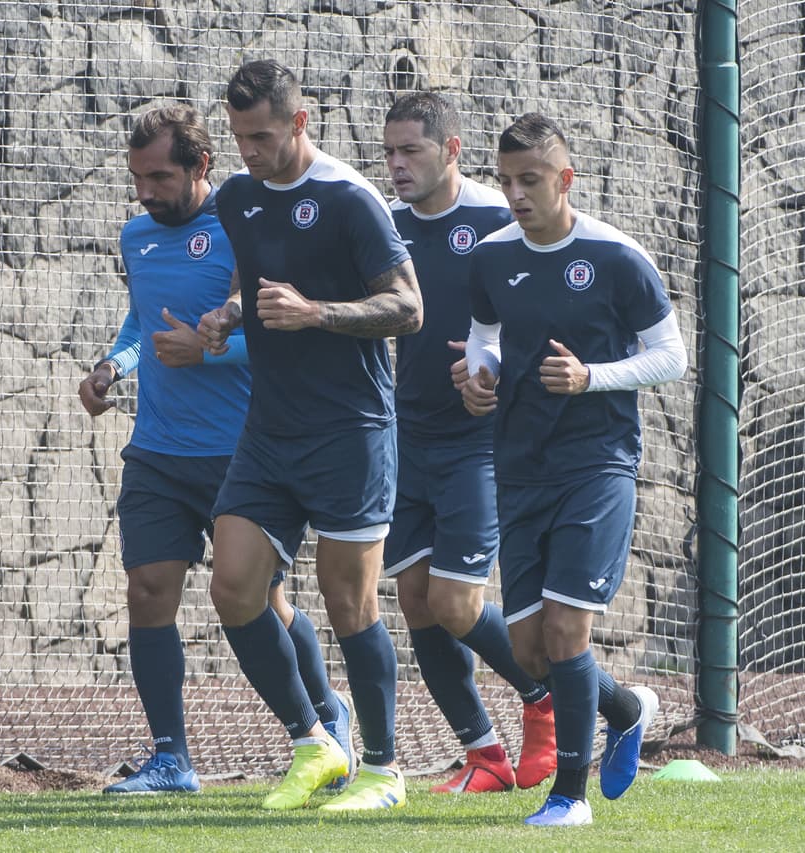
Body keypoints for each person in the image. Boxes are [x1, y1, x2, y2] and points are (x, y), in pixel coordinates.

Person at [80, 103, 352, 795]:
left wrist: (205, 356)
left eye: (160, 177)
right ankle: (172, 758)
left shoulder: (243, 226)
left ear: (201, 166)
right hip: (158, 452)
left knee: (264, 601)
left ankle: (328, 718)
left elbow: (273, 331)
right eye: (137, 177)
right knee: (147, 591)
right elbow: (145, 320)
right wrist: (116, 366)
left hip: (243, 454)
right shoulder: (135, 235)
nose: (145, 191)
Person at [198, 59, 422, 813]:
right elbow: (253, 277)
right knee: (233, 582)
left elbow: (407, 307)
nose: (248, 152)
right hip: (269, 428)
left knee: (349, 600)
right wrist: (231, 312)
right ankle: (315, 742)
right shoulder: (237, 198)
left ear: (300, 121)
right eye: (237, 138)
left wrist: (318, 312)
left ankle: (385, 769)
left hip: (349, 430)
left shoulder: (350, 199)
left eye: (260, 136)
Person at [455, 112, 687, 826]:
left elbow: (671, 357)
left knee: (565, 633)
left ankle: (569, 797)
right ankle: (625, 707)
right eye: (506, 181)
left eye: (531, 180)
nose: (517, 194)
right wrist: (478, 375)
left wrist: (592, 377)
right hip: (520, 464)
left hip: (598, 463)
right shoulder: (492, 256)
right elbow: (484, 337)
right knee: (530, 653)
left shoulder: (617, 257)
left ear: (566, 180)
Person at [380, 92, 557, 795]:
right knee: (417, 600)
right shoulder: (383, 224)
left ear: (451, 151)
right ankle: (483, 751)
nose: (396, 164)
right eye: (389, 151)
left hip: (479, 444)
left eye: (411, 151)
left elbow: (550, 323)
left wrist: (494, 366)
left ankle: (547, 701)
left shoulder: (496, 220)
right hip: (403, 437)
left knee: (455, 603)